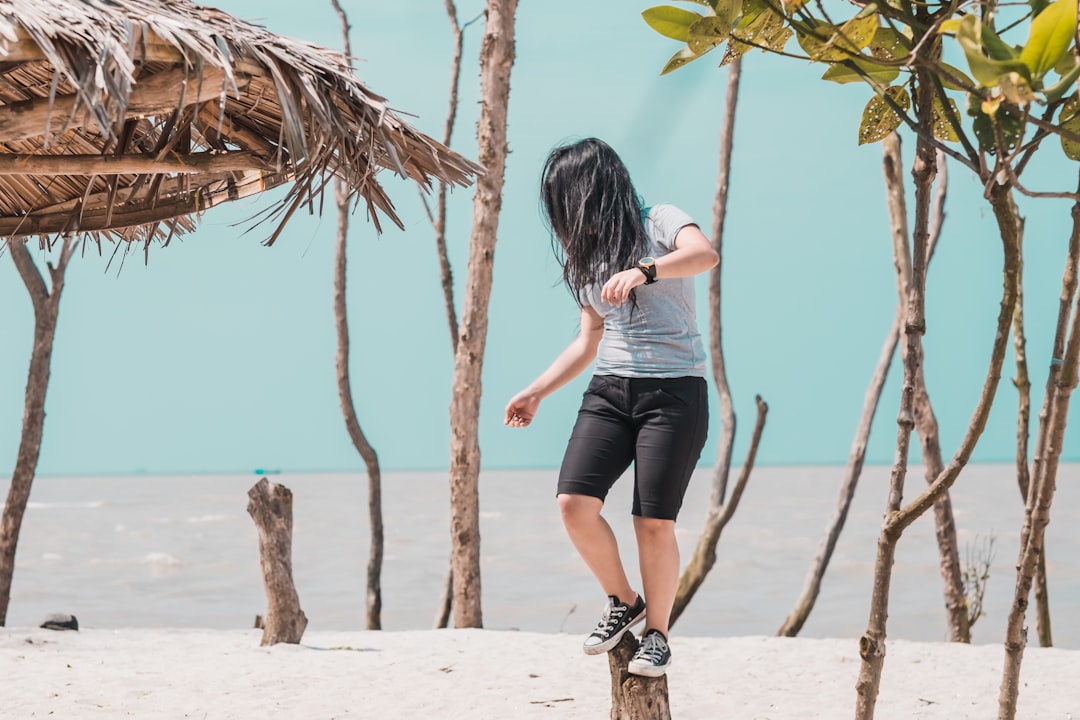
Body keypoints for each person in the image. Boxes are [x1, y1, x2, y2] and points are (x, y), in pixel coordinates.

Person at [504, 138, 717, 677]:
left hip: (674, 392)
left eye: (566, 198)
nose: (564, 214)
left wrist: (647, 270)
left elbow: (704, 255)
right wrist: (535, 390)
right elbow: (588, 339)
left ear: (594, 189)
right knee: (573, 504)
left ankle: (658, 634)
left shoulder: (660, 220)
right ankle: (624, 600)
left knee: (652, 522)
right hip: (610, 391)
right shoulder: (587, 255)